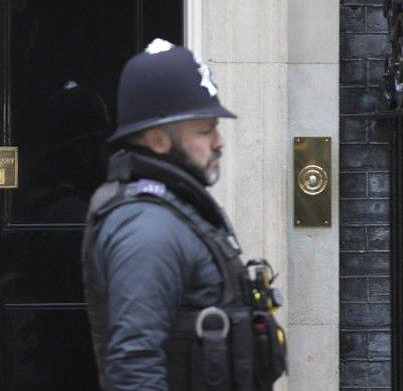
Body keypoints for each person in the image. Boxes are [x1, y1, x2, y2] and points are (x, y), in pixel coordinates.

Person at [82, 39, 286, 390]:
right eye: (206, 130)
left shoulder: (176, 211)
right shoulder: (146, 228)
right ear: (158, 140)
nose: (219, 142)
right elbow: (135, 369)